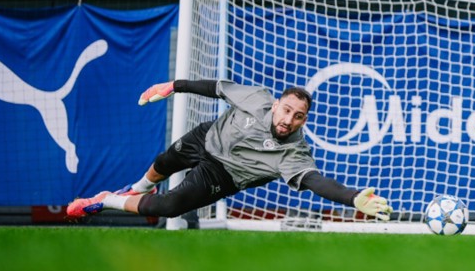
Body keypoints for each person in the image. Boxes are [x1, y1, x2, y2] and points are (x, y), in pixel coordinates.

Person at [66, 79, 392, 223]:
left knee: (170, 206)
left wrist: (353, 198)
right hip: (207, 137)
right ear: (276, 104)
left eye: (299, 116)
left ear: (304, 121)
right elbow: (217, 88)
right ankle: (136, 189)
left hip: (224, 174)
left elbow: (317, 182)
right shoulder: (257, 97)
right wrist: (174, 86)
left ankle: (105, 200)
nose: (289, 119)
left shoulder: (295, 153)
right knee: (165, 161)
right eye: (287, 110)